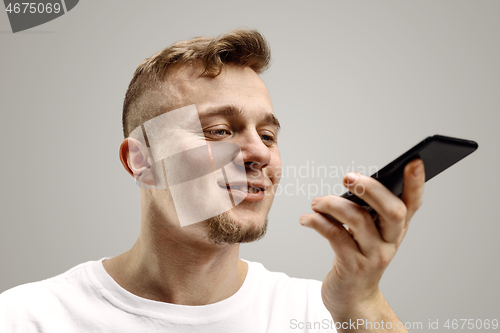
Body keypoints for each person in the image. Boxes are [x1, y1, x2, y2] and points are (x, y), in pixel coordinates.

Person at [0, 29, 425, 332]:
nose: (259, 153)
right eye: (219, 130)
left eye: (268, 135)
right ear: (141, 162)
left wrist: (363, 302)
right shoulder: (27, 318)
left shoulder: (325, 315)